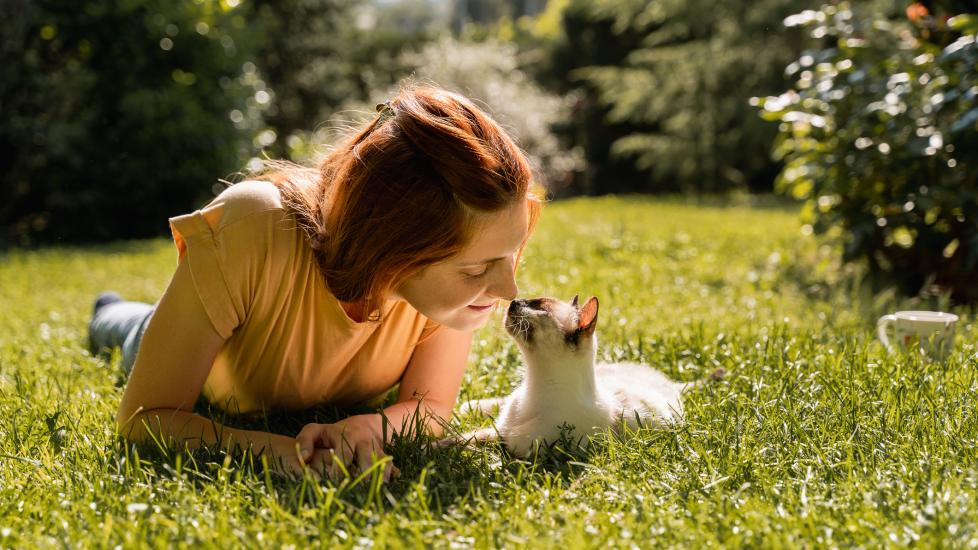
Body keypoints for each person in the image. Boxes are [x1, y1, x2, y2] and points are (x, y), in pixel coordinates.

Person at [89, 86, 542, 481]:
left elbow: (430, 409)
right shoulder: (251, 229)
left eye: (510, 255)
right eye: (476, 270)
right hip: (197, 350)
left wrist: (366, 428)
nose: (509, 290)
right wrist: (282, 453)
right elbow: (144, 419)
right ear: (391, 250)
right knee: (125, 324)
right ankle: (108, 311)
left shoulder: (448, 302)